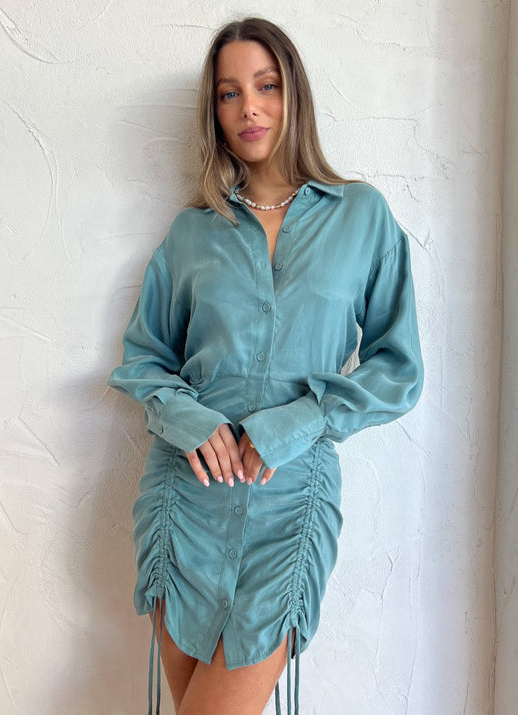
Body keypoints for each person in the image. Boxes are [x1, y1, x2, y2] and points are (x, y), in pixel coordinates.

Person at [108, 16, 423, 715]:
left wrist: (300, 419)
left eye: (266, 86)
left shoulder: (361, 216)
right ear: (214, 112)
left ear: (293, 95)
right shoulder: (193, 230)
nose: (248, 107)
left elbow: (397, 367)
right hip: (185, 500)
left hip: (292, 501)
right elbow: (144, 358)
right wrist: (188, 419)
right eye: (229, 93)